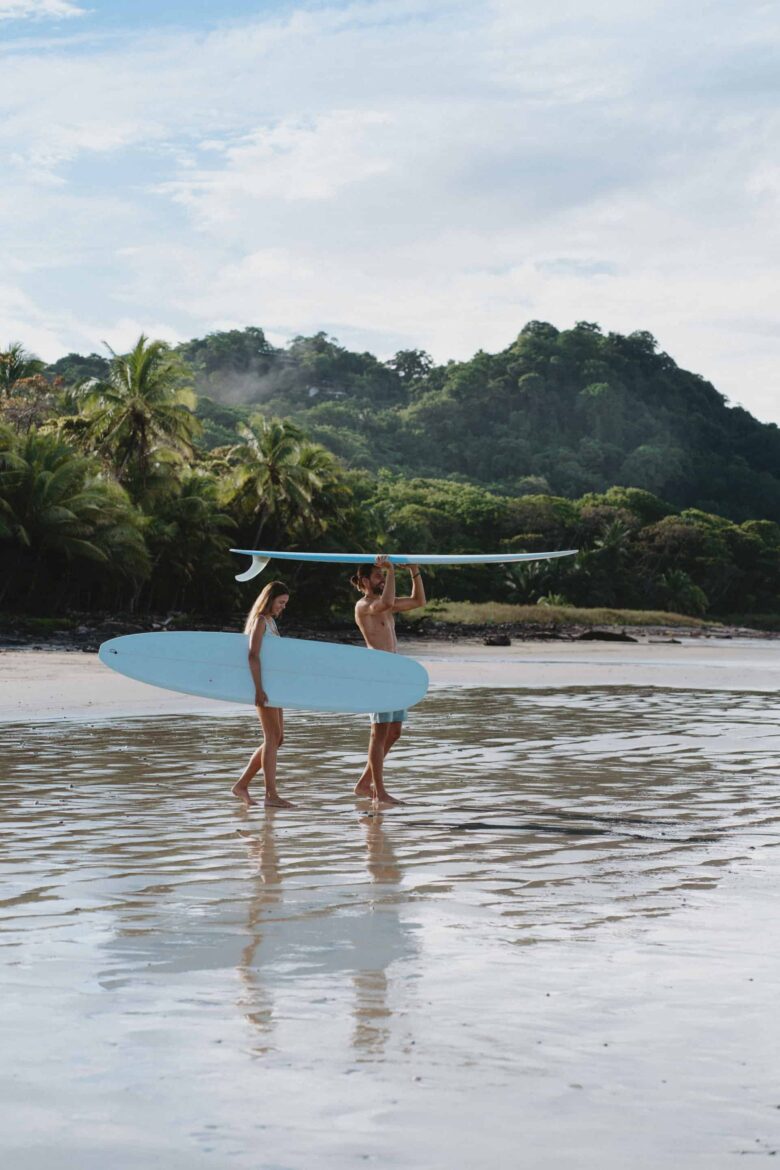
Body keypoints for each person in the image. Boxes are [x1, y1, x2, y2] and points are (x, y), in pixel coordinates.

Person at [352, 556, 426, 804]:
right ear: (365, 580)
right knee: (378, 733)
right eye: (378, 576)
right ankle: (379, 792)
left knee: (394, 731)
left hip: (395, 672)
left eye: (383, 575)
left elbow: (419, 601)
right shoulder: (363, 606)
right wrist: (392, 571)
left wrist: (414, 571)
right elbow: (385, 602)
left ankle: (364, 783)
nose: (382, 579)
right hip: (378, 673)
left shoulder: (385, 604)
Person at [232, 580, 293, 809]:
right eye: (281, 602)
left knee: (278, 739)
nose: (283, 607)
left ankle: (242, 785)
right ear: (269, 600)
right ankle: (271, 794)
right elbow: (252, 655)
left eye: (285, 603)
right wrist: (258, 689)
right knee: (271, 738)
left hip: (274, 688)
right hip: (264, 687)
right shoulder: (259, 621)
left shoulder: (271, 622)